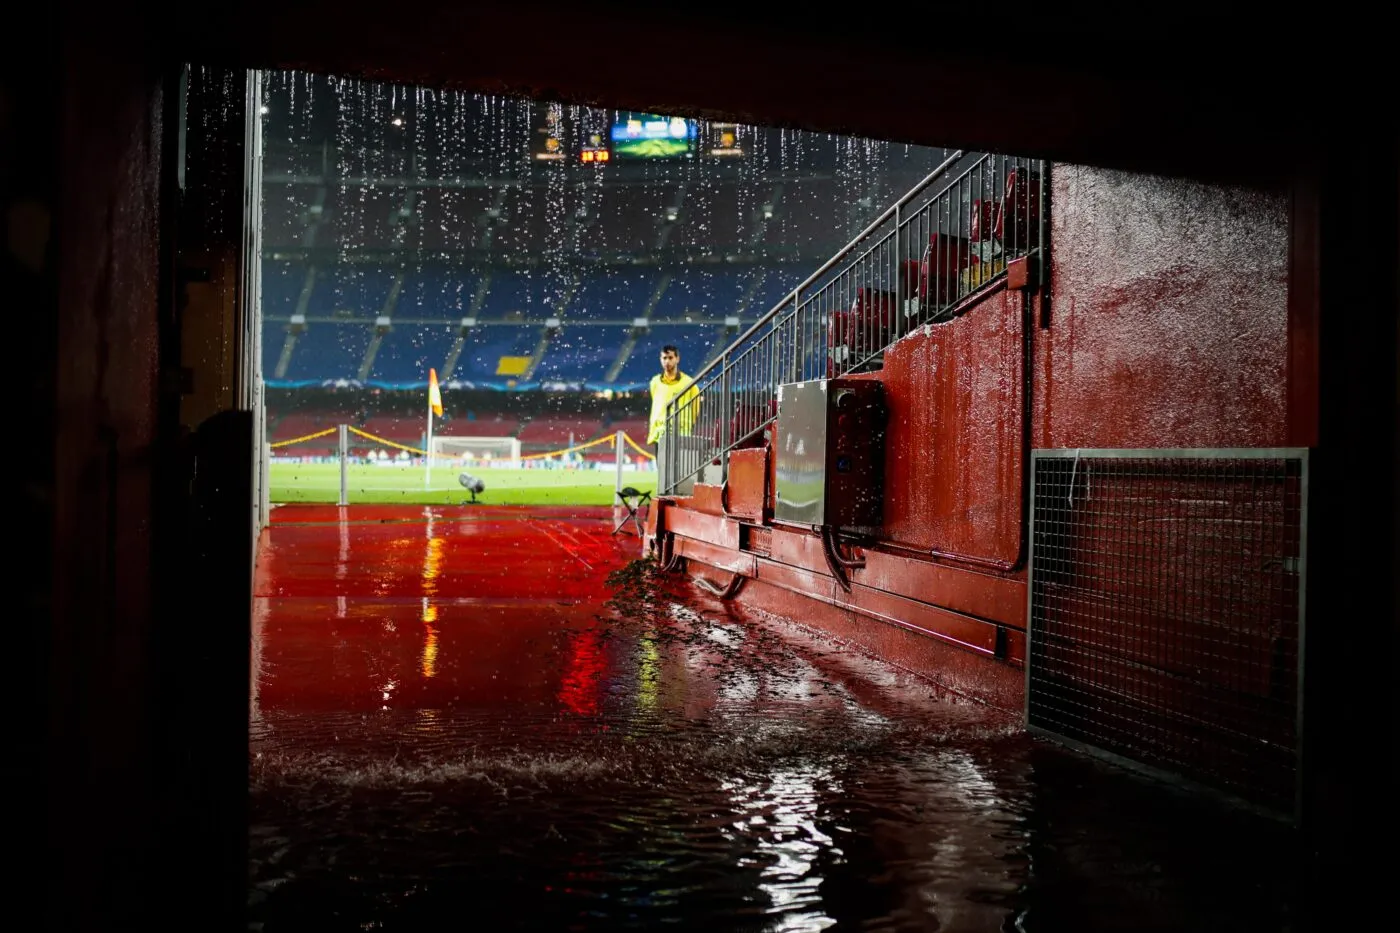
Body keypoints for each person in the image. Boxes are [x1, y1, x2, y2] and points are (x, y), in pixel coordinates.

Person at [647, 344, 699, 462]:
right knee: (662, 471)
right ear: (660, 360)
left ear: (677, 359)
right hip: (659, 434)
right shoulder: (655, 382)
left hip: (681, 434)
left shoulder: (690, 383)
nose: (667, 361)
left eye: (670, 358)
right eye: (664, 358)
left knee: (678, 472)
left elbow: (696, 410)